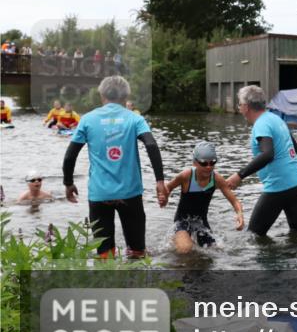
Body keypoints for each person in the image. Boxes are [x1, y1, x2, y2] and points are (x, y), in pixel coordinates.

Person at [62, 76, 167, 258]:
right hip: (130, 194)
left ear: (101, 94)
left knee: (104, 255)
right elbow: (151, 145)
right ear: (126, 96)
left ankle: (108, 282)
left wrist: (68, 183)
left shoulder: (87, 120)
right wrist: (159, 180)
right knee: (137, 252)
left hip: (99, 194)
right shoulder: (135, 119)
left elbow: (70, 154)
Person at [225, 85, 297, 236]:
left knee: (254, 236)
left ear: (247, 106)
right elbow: (295, 148)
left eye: (239, 104)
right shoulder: (276, 119)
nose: (239, 108)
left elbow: (268, 154)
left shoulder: (261, 124)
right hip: (296, 184)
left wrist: (239, 175)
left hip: (278, 187)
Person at [164, 142, 244, 253]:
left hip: (201, 223)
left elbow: (235, 201)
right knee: (185, 249)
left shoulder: (216, 179)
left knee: (215, 252)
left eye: (212, 163)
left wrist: (240, 214)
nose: (208, 167)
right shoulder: (186, 176)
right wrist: (164, 198)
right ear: (194, 163)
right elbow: (167, 188)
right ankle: (178, 238)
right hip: (182, 221)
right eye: (204, 163)